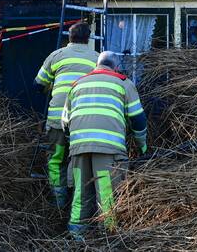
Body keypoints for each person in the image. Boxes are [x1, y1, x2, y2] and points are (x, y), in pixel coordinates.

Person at [62, 50, 147, 240]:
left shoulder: (77, 84)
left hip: (78, 148)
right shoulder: (123, 83)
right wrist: (143, 146)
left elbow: (65, 123)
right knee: (107, 196)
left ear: (97, 65)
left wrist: (75, 144)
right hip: (108, 150)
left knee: (80, 194)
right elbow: (138, 120)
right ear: (116, 67)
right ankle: (107, 238)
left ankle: (76, 237)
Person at [34, 22, 98, 208]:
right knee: (81, 162)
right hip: (84, 122)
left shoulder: (56, 56)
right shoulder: (96, 58)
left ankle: (58, 202)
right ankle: (79, 202)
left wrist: (53, 87)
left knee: (56, 159)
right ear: (88, 38)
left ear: (69, 37)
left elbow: (38, 85)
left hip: (57, 121)